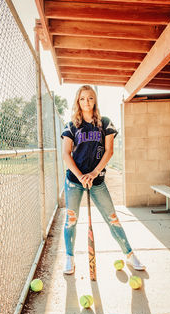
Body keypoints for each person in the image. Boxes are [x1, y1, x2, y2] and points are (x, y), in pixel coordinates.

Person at [61, 85, 145, 274]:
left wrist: (93, 174)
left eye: (90, 98)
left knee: (112, 218)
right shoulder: (71, 125)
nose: (86, 102)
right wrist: (81, 176)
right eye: (82, 98)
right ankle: (69, 257)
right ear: (77, 101)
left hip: (97, 180)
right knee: (71, 220)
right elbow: (66, 154)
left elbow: (109, 151)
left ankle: (130, 255)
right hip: (74, 181)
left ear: (95, 100)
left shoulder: (105, 123)